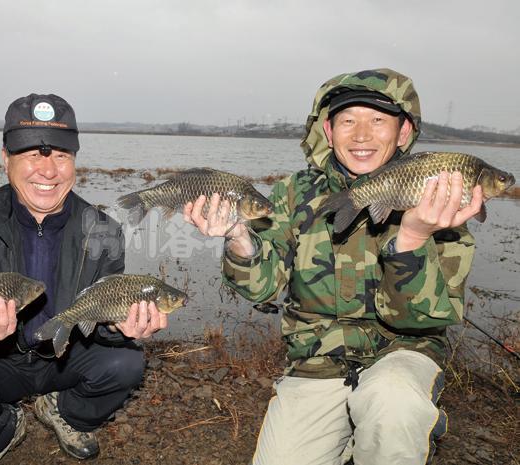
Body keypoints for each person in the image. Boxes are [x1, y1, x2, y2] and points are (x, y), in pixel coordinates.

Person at [183, 68, 483, 465]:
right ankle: (350, 434)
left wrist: (411, 241)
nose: (361, 135)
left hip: (401, 353)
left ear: (404, 132)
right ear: (327, 130)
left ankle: (407, 419)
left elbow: (421, 320)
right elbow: (264, 289)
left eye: (378, 120)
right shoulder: (291, 194)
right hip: (316, 362)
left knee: (393, 407)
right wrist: (239, 238)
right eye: (347, 120)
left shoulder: (440, 197)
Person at [0, 93, 168, 465]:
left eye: (60, 155)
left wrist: (123, 327)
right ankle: (3, 429)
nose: (49, 170)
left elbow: (100, 321)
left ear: (74, 161)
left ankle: (64, 411)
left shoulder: (104, 230)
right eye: (32, 155)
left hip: (68, 353)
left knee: (127, 364)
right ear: (6, 159)